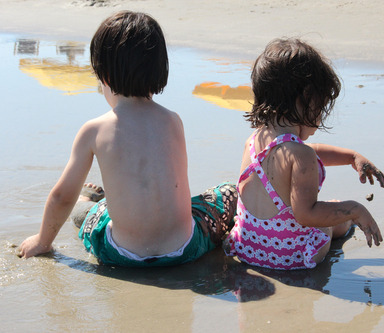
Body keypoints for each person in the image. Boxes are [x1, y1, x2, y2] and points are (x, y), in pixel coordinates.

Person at [18, 11, 237, 267]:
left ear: (105, 77)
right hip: (184, 249)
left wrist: (42, 242)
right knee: (228, 192)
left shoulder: (94, 130)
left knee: (92, 213)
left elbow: (61, 197)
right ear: (159, 69)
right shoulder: (173, 121)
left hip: (121, 254)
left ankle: (87, 201)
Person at [224, 38, 384, 270]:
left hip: (248, 249)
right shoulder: (300, 156)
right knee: (328, 221)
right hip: (289, 256)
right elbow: (306, 214)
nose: (321, 116)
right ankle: (348, 221)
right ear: (308, 99)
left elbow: (305, 152)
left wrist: (351, 157)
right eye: (322, 106)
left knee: (323, 211)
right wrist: (354, 209)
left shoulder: (254, 141)